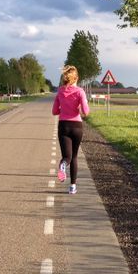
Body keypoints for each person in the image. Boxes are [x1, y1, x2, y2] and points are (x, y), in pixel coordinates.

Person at [52, 65, 90, 194]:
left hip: (63, 126)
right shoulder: (80, 91)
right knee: (74, 156)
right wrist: (80, 106)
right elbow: (86, 112)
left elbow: (54, 111)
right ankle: (72, 186)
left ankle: (63, 164)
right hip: (76, 127)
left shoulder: (60, 91)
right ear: (76, 78)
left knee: (67, 157)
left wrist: (64, 108)